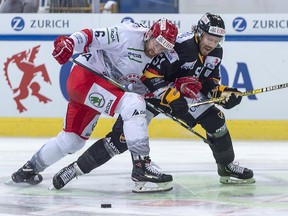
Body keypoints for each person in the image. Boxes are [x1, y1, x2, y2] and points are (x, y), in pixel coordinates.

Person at [50, 12, 255, 193]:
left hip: (178, 94)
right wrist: (170, 95)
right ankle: (75, 169)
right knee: (120, 141)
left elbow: (208, 81)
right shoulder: (183, 47)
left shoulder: (215, 52)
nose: (211, 44)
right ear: (199, 33)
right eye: (209, 38)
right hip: (147, 92)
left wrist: (224, 92)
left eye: (216, 40)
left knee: (215, 120)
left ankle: (226, 167)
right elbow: (150, 74)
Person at [9, 18, 179, 193]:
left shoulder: (155, 57)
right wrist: (70, 42)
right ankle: (141, 167)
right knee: (133, 104)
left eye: (163, 48)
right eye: (157, 43)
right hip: (85, 78)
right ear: (150, 34)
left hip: (97, 88)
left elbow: (136, 84)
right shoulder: (128, 34)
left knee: (72, 141)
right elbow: (91, 36)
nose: (156, 50)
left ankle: (28, 171)